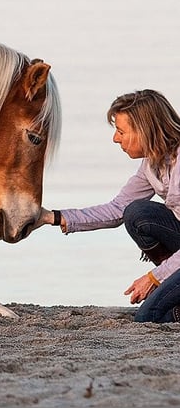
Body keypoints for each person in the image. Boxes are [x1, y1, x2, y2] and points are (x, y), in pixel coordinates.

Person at [38, 89, 180, 323]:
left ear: (145, 130)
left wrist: (154, 278)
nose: (116, 138)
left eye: (122, 131)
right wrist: (51, 217)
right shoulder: (151, 163)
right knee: (136, 213)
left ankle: (169, 286)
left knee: (149, 316)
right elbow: (117, 210)